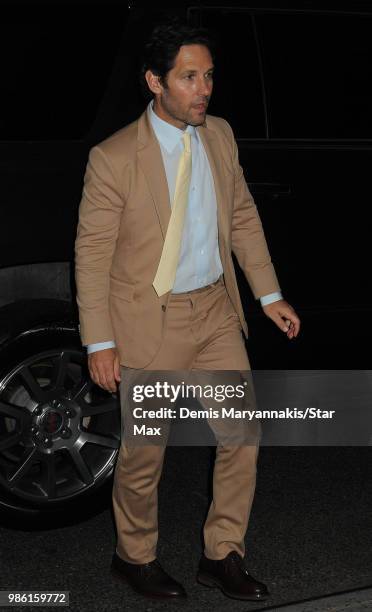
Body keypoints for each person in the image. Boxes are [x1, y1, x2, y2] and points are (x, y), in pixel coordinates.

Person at [74, 18, 300, 602]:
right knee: (146, 453)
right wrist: (99, 342)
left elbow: (243, 216)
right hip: (152, 319)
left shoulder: (219, 135)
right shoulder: (115, 157)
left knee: (242, 435)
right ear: (155, 81)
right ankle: (135, 556)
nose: (204, 89)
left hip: (216, 313)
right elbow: (92, 257)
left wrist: (268, 295)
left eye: (208, 76)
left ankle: (222, 554)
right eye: (188, 77)